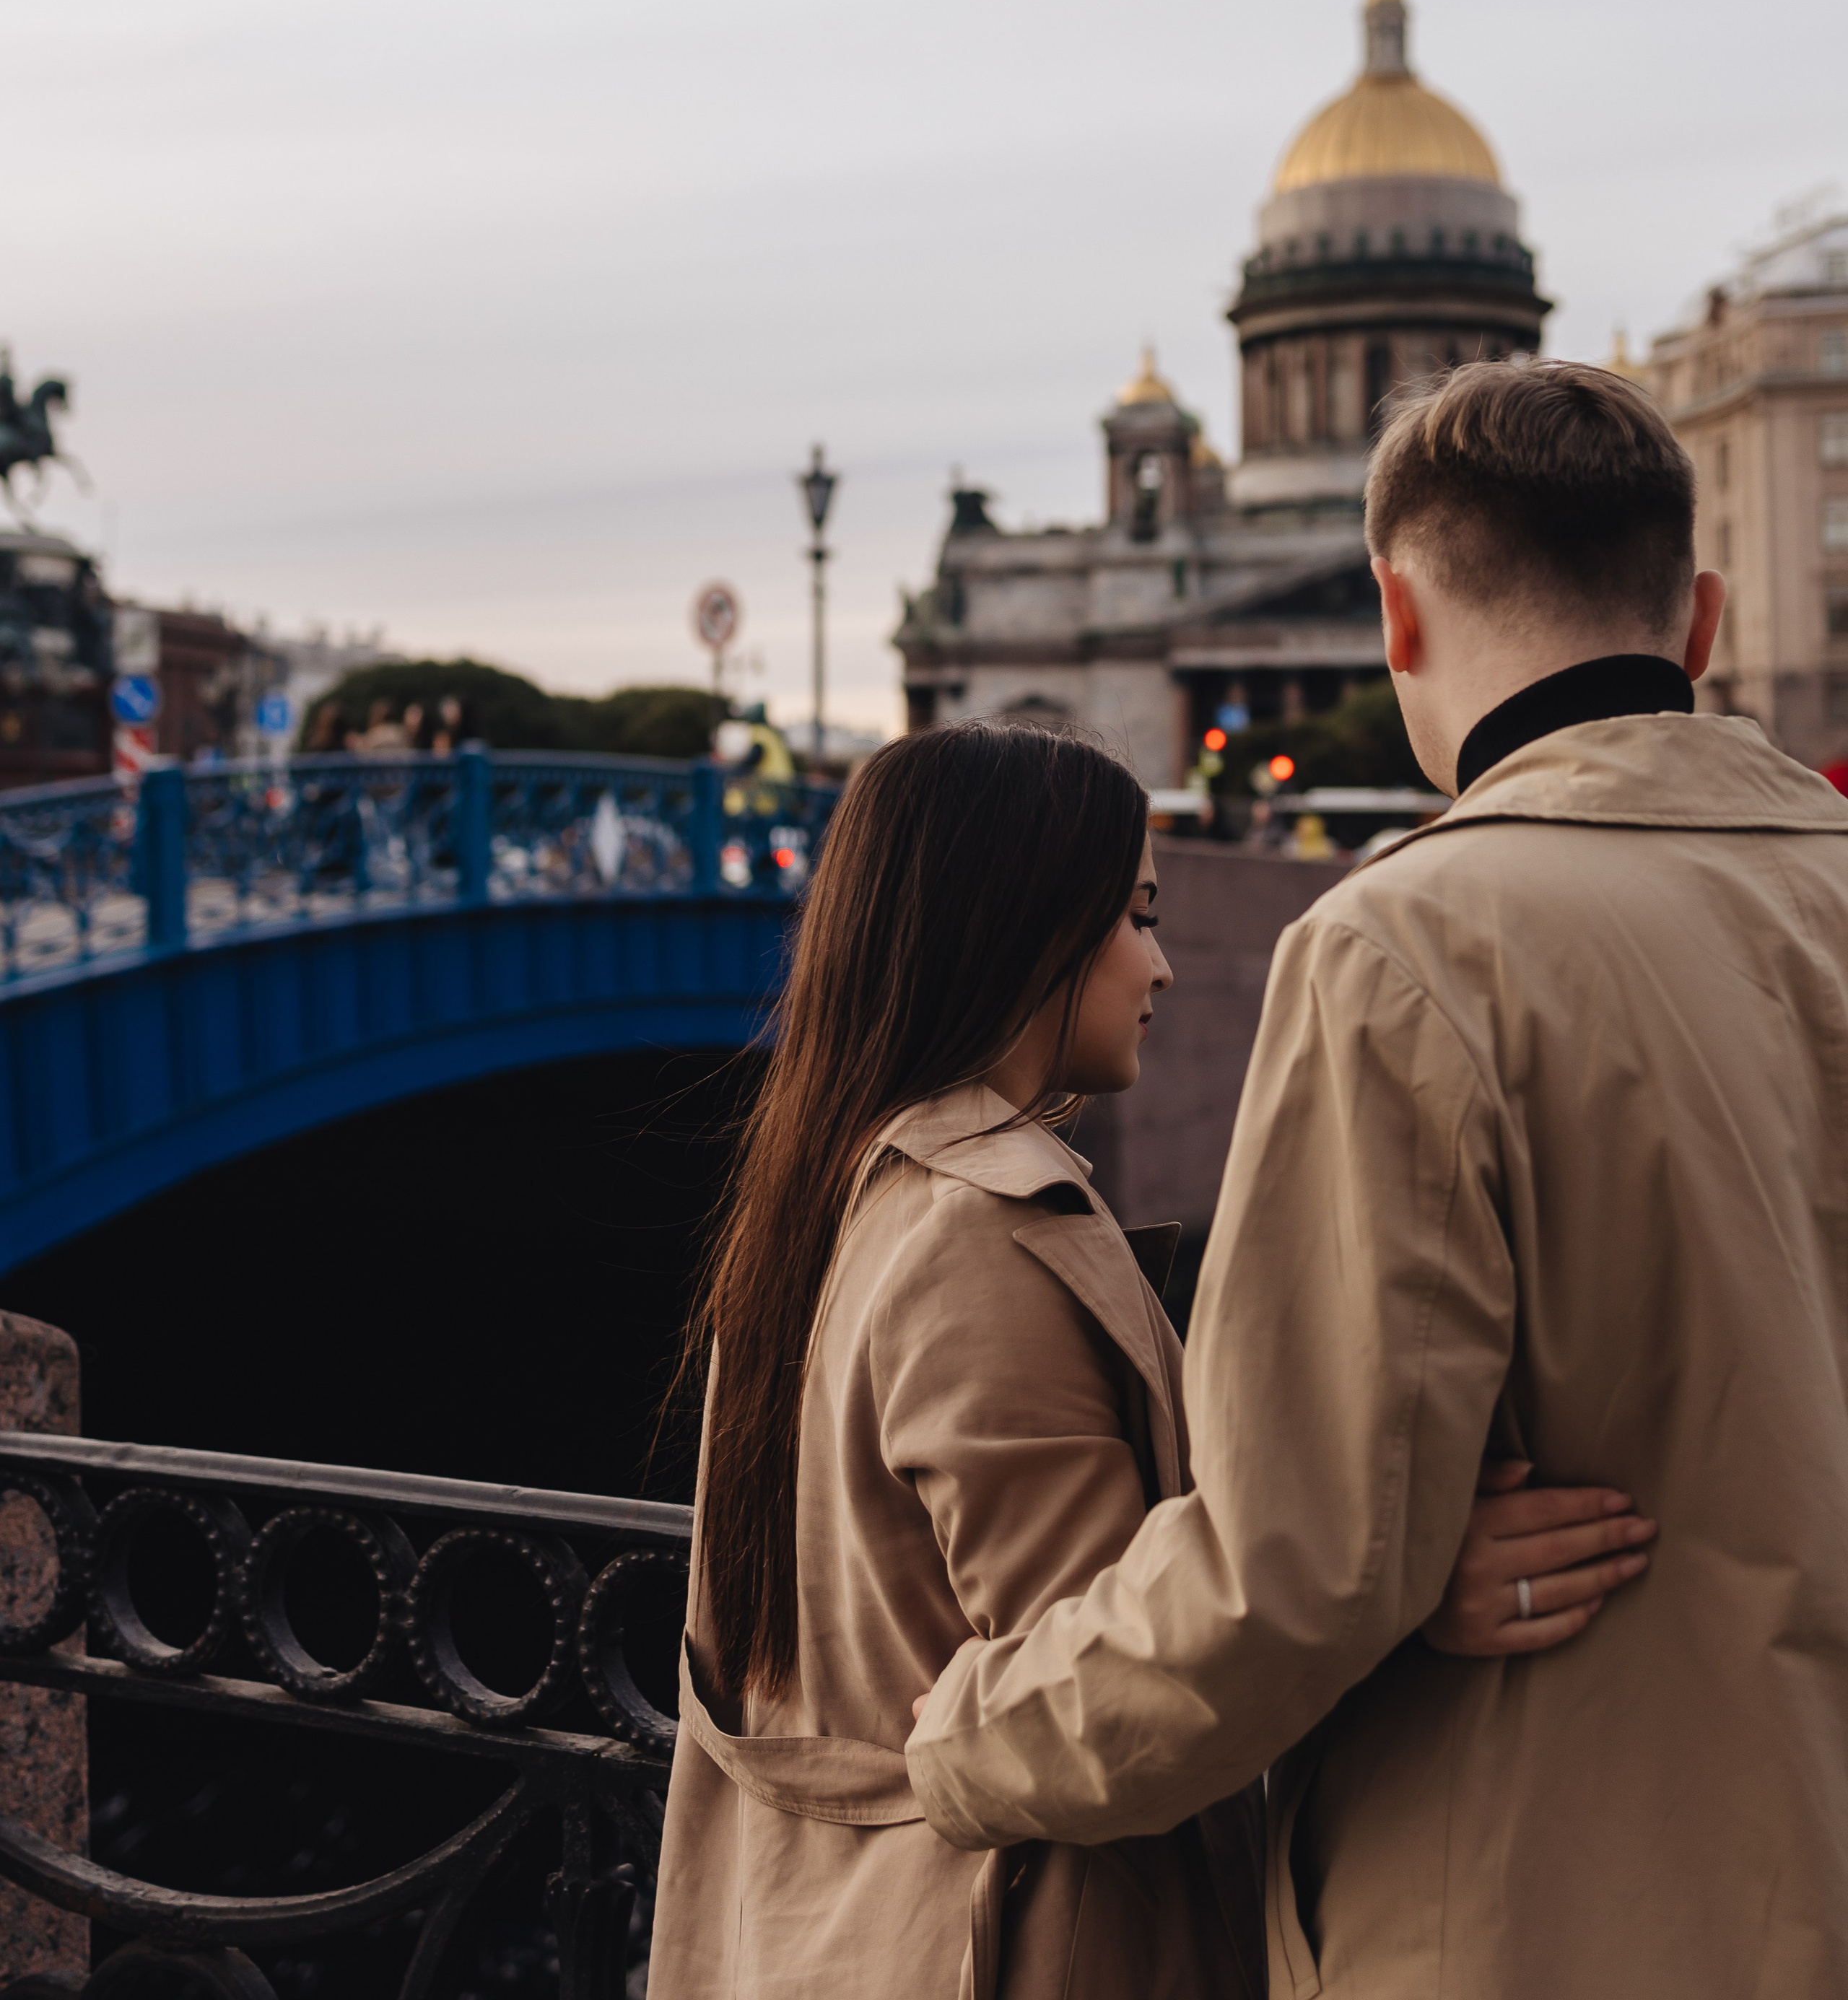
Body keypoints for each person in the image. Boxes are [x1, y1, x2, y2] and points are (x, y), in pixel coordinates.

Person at [907, 360, 1848, 1996]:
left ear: (1392, 620)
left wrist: (967, 1744)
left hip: (1546, 1914)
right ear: (1697, 621)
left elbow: (1302, 1567)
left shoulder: (1408, 945)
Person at [650, 716, 1653, 1999]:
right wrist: (1395, 1598)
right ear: (1025, 930)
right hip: (1017, 1938)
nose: (1161, 968)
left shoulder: (825, 1199)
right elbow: (1121, 1697)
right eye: (1135, 917)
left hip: (819, 1930)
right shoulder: (984, 1235)